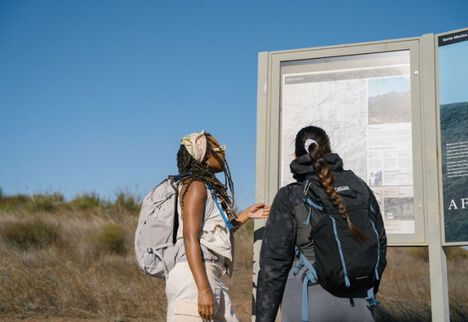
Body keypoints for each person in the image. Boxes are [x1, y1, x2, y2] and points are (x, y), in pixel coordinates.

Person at [256, 126, 387, 322]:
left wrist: (264, 319)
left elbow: (273, 266)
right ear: (328, 150)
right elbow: (380, 244)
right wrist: (365, 288)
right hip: (360, 305)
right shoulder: (359, 187)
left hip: (309, 304)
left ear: (296, 155)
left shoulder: (290, 195)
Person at [166, 130, 270, 322]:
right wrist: (203, 289)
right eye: (216, 148)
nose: (222, 152)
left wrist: (246, 215)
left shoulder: (204, 188)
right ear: (203, 155)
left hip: (208, 274)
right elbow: (190, 237)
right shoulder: (195, 186)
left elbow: (212, 235)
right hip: (194, 279)